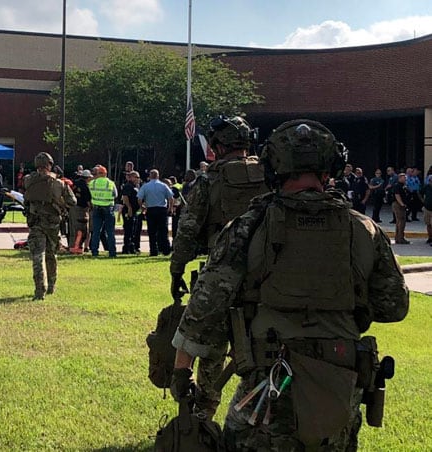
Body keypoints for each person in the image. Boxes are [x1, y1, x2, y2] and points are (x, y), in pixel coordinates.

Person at [170, 119, 409, 451]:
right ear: (331, 169)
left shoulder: (247, 229)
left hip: (268, 383)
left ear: (273, 167)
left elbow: (204, 310)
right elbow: (394, 306)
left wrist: (182, 371)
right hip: (338, 385)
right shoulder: (364, 230)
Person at [169, 115, 270, 418]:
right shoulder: (270, 175)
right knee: (264, 348)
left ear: (217, 145)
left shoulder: (210, 179)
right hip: (267, 276)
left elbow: (188, 230)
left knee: (211, 347)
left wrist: (176, 270)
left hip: (221, 273)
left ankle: (203, 416)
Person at [23, 152, 76, 300]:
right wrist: (61, 205)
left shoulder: (28, 180)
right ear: (50, 165)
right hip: (52, 224)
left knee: (37, 256)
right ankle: (52, 285)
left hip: (35, 222)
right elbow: (73, 201)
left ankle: (40, 289)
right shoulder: (59, 183)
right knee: (51, 255)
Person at [136, 169, 173, 256]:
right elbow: (171, 197)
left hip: (151, 210)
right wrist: (170, 208)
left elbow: (139, 199)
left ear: (150, 176)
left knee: (152, 232)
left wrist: (142, 207)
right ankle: (166, 250)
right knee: (163, 231)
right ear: (158, 176)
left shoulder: (146, 186)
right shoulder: (163, 185)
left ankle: (153, 250)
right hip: (161, 210)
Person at [88, 165, 118, 257]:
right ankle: (112, 252)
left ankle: (94, 251)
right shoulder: (110, 183)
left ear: (97, 173)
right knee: (110, 231)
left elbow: (90, 194)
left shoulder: (92, 183)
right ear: (105, 173)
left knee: (96, 231)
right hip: (108, 208)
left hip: (96, 208)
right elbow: (115, 195)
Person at [68, 169, 92, 254]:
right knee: (81, 229)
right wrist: (91, 209)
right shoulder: (85, 187)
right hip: (81, 210)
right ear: (88, 178)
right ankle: (77, 248)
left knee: (72, 229)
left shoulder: (74, 183)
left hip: (72, 208)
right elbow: (88, 201)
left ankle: (71, 247)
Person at [120, 170, 142, 254]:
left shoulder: (135, 186)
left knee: (133, 230)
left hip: (134, 211)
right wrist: (129, 208)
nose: (138, 179)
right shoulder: (128, 186)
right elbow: (125, 197)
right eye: (137, 177)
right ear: (132, 177)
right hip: (129, 210)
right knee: (128, 229)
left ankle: (132, 247)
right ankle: (126, 248)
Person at [392, 172, 410, 244]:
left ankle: (398, 237)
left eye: (405, 177)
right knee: (401, 221)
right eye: (403, 177)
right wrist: (402, 204)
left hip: (401, 204)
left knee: (399, 221)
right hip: (398, 204)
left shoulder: (403, 185)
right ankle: (400, 238)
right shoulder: (397, 186)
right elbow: (397, 195)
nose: (405, 179)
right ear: (399, 178)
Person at [422, 174, 432, 245]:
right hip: (427, 208)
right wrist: (423, 201)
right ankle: (430, 237)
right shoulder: (427, 187)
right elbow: (419, 192)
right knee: (428, 224)